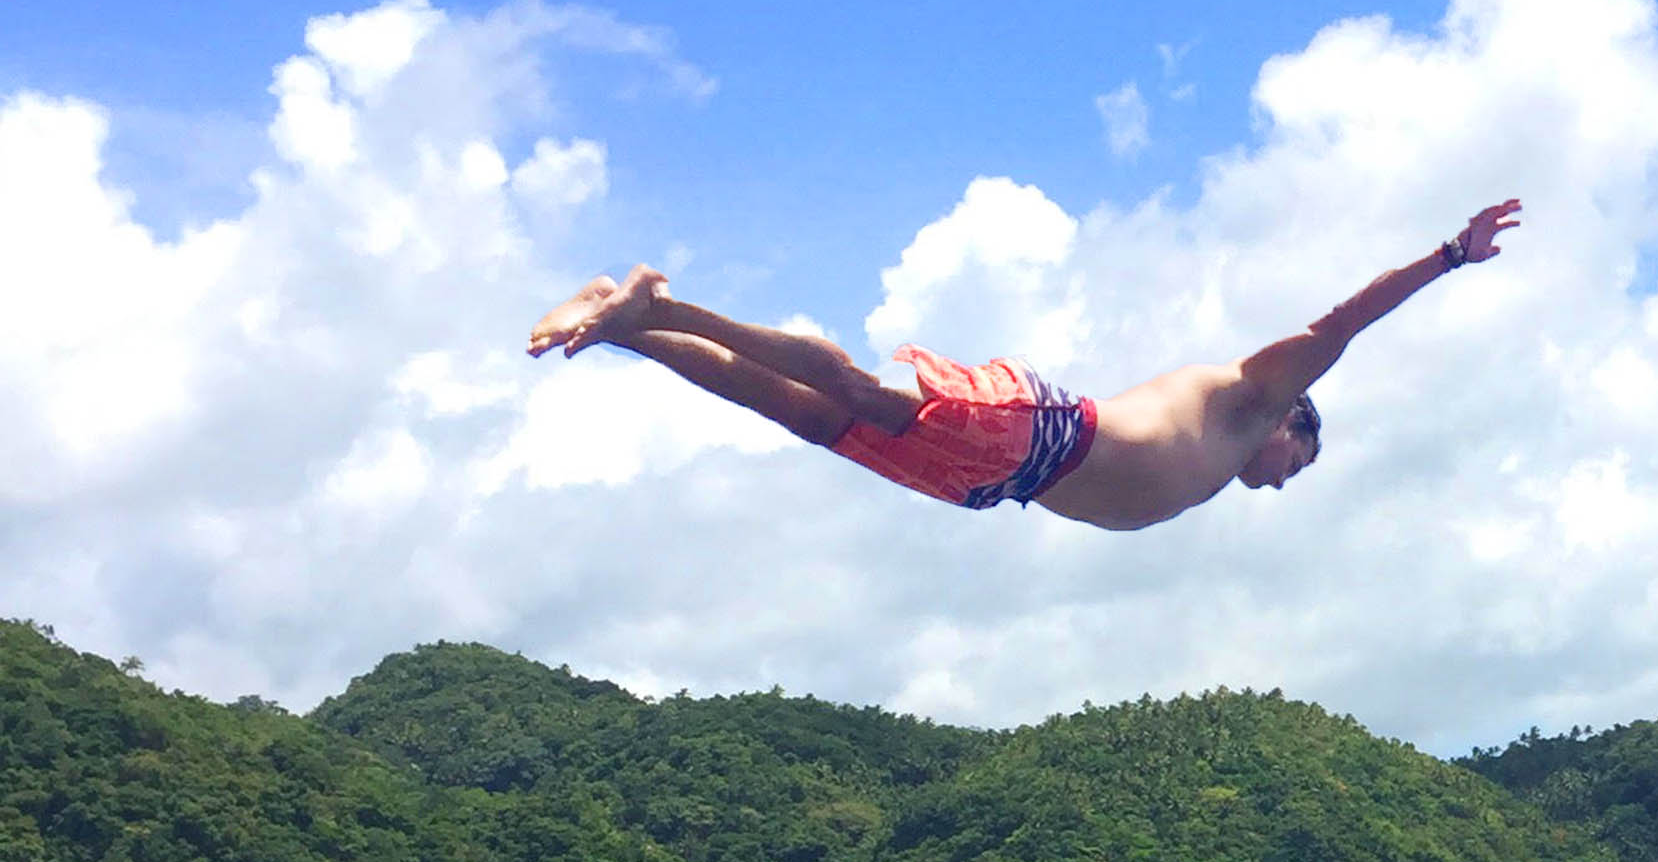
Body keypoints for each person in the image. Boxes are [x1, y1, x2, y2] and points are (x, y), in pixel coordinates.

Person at [523, 200, 1522, 531]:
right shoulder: (1247, 401)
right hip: (1041, 431)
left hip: (999, 481)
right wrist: (1446, 259)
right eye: (1295, 466)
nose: (1279, 483)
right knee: (858, 389)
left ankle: (620, 326)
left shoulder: (1221, 468)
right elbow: (1343, 322)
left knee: (800, 414)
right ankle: (665, 303)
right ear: (1291, 424)